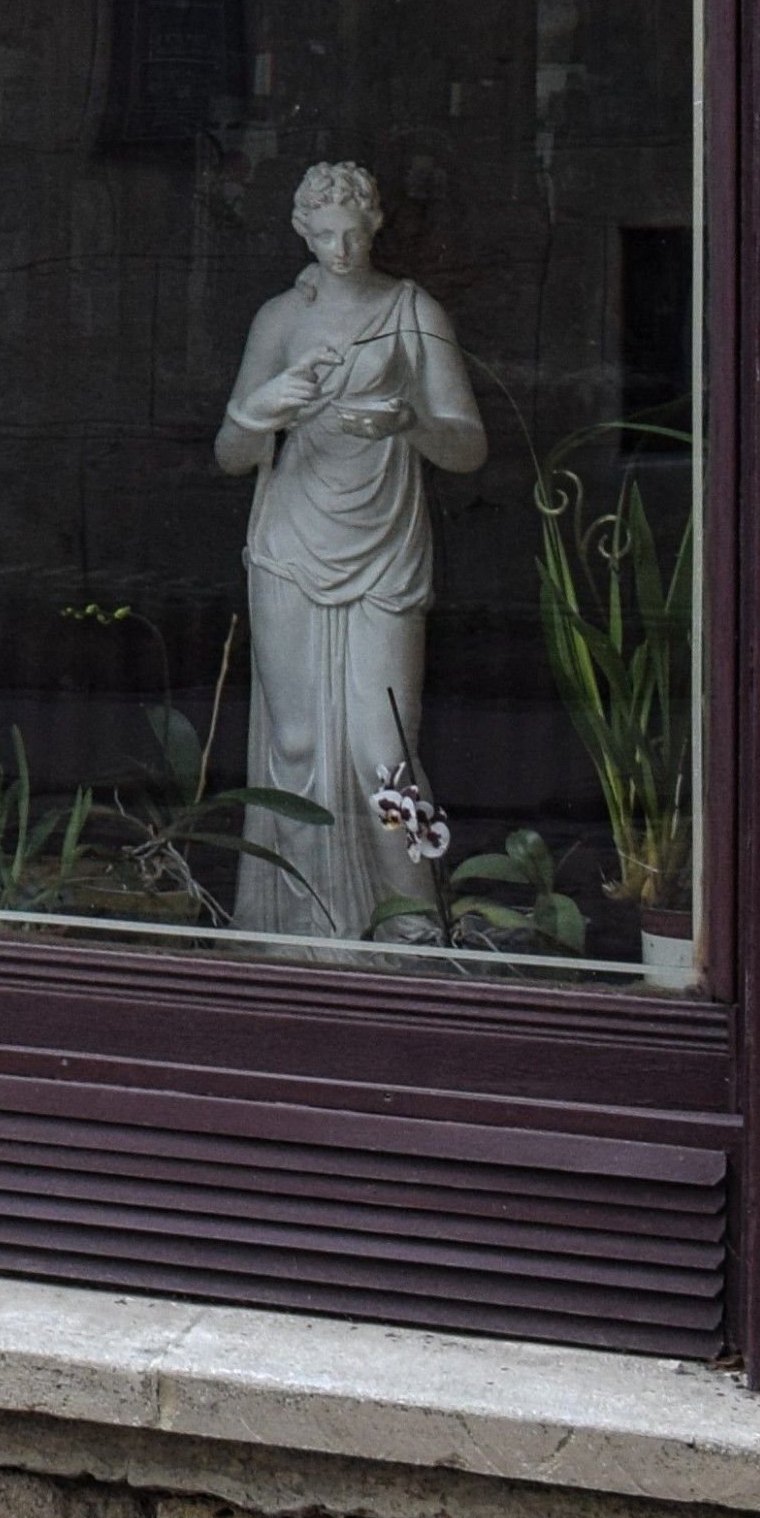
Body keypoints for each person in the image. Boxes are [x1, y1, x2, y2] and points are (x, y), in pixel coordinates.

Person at [215, 158, 483, 940]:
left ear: (374, 228)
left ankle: (414, 920)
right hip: (291, 543)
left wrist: (412, 424)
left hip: (383, 546)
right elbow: (231, 453)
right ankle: (306, 926)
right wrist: (262, 410)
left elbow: (468, 447)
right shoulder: (279, 319)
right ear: (303, 232)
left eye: (353, 234)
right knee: (297, 743)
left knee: (384, 748)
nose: (340, 249)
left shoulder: (412, 311)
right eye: (326, 234)